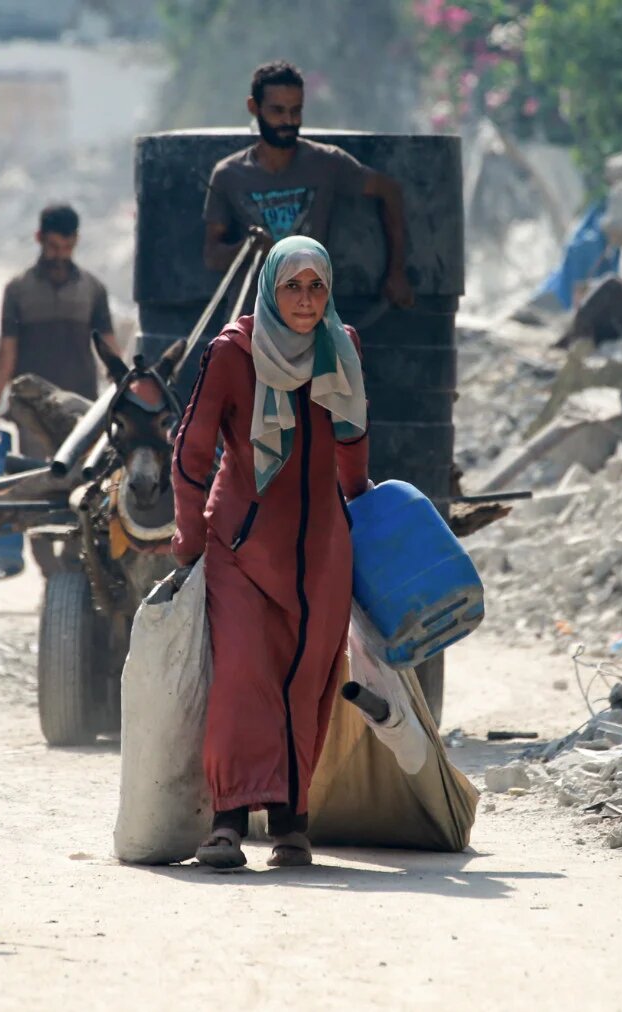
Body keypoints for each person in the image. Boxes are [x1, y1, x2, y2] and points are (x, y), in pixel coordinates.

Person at [171, 235, 371, 870]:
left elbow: (353, 442)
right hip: (242, 546)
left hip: (321, 553)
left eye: (316, 287)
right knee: (242, 677)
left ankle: (291, 823)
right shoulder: (233, 353)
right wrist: (190, 537)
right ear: (270, 289)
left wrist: (363, 514)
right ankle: (227, 822)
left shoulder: (342, 346)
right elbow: (192, 451)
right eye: (292, 287)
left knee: (306, 683)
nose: (306, 301)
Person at [0, 203, 125, 571]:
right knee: (36, 491)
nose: (60, 256)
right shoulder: (18, 290)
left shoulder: (92, 290)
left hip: (83, 414)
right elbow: (7, 352)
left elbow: (109, 349)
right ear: (39, 239)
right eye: (53, 247)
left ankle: (76, 567)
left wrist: (123, 396)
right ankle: (51, 573)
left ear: (76, 242)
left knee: (85, 491)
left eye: (67, 248)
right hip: (31, 412)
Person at [203, 62, 414, 309]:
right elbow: (212, 256)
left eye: (296, 111)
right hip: (252, 316)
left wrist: (396, 272)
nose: (288, 120)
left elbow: (390, 191)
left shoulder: (327, 162)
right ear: (254, 107)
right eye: (277, 111)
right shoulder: (229, 174)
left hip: (310, 313)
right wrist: (250, 247)